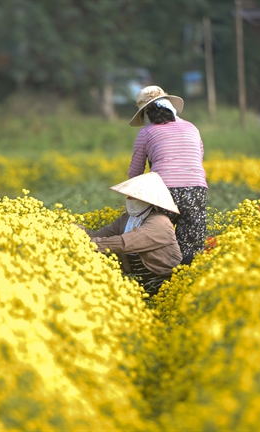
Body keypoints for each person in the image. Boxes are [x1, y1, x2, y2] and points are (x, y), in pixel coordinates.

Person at [127, 85, 208, 264]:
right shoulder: (191, 128)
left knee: (158, 240)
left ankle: (159, 284)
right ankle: (186, 283)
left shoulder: (146, 132)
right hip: (196, 190)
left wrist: (133, 200)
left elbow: (135, 172)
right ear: (170, 107)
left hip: (163, 192)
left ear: (144, 114)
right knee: (191, 246)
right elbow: (197, 158)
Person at [81, 172, 182, 297]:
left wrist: (86, 244)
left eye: (133, 196)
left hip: (160, 283)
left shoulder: (160, 222)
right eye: (128, 196)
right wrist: (77, 232)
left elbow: (125, 243)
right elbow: (102, 234)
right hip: (135, 282)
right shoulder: (127, 219)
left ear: (147, 200)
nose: (129, 199)